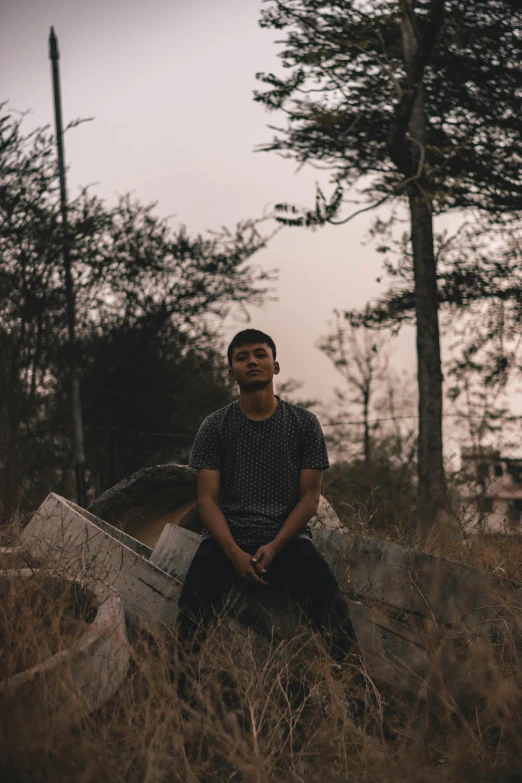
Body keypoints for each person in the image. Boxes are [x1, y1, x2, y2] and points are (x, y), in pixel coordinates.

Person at [178, 328, 355, 660]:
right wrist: (233, 553)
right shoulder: (215, 426)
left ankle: (359, 697)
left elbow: (309, 499)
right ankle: (180, 702)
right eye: (241, 357)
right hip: (225, 542)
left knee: (334, 611)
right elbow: (207, 500)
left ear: (275, 366)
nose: (252, 361)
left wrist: (274, 547)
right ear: (232, 372)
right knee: (189, 614)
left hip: (286, 541)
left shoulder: (304, 424)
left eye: (260, 354)